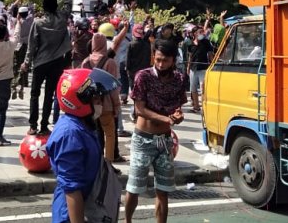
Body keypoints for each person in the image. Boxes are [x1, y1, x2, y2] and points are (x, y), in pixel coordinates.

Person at [46, 68, 121, 223]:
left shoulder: (84, 124)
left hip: (89, 205)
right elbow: (72, 190)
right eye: (96, 100)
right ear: (80, 102)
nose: (100, 104)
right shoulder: (69, 135)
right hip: (72, 215)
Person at [124, 40, 187, 223]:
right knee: (134, 188)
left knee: (163, 191)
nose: (160, 64)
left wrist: (177, 115)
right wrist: (167, 119)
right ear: (153, 57)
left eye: (165, 60)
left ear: (173, 60)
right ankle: (127, 221)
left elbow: (178, 108)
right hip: (143, 140)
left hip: (165, 140)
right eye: (158, 59)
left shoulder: (179, 79)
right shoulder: (142, 76)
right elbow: (140, 110)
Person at [22, 0, 72, 136]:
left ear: (43, 7)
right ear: (56, 5)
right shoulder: (63, 19)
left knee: (35, 94)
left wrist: (26, 62)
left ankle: (32, 125)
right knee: (50, 94)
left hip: (40, 62)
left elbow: (32, 45)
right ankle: (44, 125)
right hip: (57, 61)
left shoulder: (38, 23)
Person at [81, 33, 121, 162]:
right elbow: (113, 88)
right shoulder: (110, 63)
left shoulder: (86, 61)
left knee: (95, 133)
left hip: (90, 105)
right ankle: (108, 163)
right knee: (109, 134)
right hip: (107, 104)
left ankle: (96, 161)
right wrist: (117, 106)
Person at [186, 32, 212, 113]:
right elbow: (190, 57)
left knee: (202, 87)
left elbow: (210, 54)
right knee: (193, 88)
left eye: (202, 32)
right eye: (199, 32)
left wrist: (212, 64)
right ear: (194, 34)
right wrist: (188, 67)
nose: (201, 34)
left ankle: (205, 107)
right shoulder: (190, 44)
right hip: (193, 69)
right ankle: (196, 106)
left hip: (203, 68)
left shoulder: (206, 42)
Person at [10, 6, 31, 100]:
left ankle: (14, 87)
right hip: (27, 47)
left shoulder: (18, 22)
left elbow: (16, 35)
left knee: (15, 67)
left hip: (18, 47)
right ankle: (21, 88)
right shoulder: (31, 22)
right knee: (24, 67)